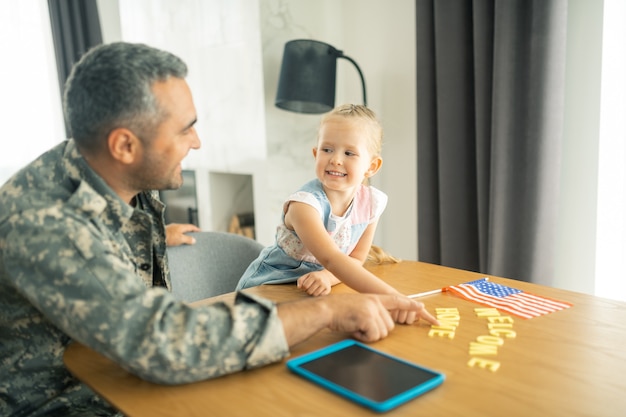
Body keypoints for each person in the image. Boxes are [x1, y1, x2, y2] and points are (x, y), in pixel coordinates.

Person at [0, 42, 437, 416]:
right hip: (71, 402)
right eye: (185, 129)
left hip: (128, 373)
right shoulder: (49, 226)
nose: (197, 142)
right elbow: (162, 341)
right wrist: (326, 311)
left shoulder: (117, 175)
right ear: (124, 145)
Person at [236, 105, 415, 316]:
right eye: (327, 149)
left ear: (372, 166)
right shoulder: (304, 206)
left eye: (349, 153)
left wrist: (326, 277)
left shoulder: (371, 204)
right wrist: (393, 297)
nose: (336, 159)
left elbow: (355, 260)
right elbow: (333, 260)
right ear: (315, 153)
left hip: (313, 290)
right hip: (268, 288)